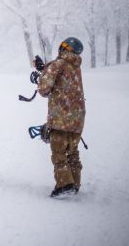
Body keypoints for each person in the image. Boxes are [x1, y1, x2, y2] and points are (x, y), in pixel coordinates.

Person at [37, 37, 86, 197]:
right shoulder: (75, 67)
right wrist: (44, 68)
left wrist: (43, 72)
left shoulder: (58, 64)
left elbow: (44, 88)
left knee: (59, 152)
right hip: (77, 119)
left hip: (60, 118)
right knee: (72, 152)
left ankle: (65, 185)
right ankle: (75, 183)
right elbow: (63, 84)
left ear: (64, 47)